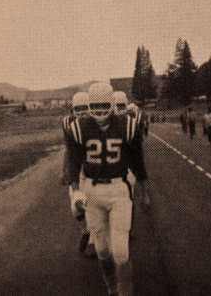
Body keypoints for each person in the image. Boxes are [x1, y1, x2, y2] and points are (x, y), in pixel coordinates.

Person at [67, 82, 150, 296]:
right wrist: (75, 190)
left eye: (105, 104)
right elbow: (74, 163)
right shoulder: (78, 127)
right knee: (102, 251)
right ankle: (111, 286)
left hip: (119, 189)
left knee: (121, 252)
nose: (101, 110)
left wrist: (144, 191)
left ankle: (125, 292)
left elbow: (137, 161)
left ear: (112, 104)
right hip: (92, 192)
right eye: (97, 105)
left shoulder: (127, 124)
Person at [61, 92, 97, 259]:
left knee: (92, 203)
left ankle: (92, 239)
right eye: (79, 109)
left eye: (85, 108)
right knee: (76, 208)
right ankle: (85, 230)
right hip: (76, 169)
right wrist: (64, 170)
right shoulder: (68, 123)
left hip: (92, 169)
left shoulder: (95, 122)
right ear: (73, 110)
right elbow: (68, 150)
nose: (82, 112)